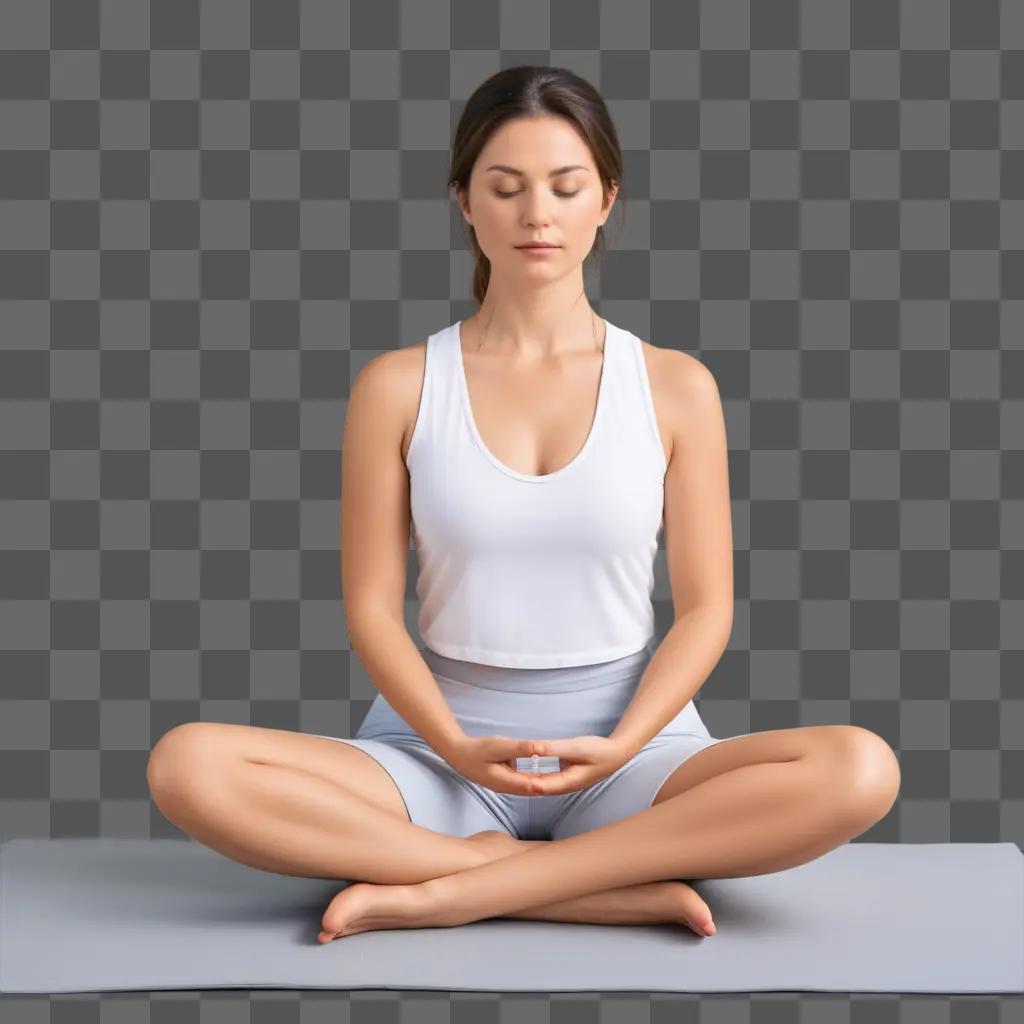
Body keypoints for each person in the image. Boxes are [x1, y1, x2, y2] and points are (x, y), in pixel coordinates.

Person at [146, 65, 901, 942]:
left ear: (606, 198)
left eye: (565, 186)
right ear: (466, 201)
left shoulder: (676, 386)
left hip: (635, 757)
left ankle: (450, 886)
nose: (537, 213)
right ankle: (603, 889)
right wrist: (456, 746)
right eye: (505, 188)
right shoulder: (396, 385)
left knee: (858, 769)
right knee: (189, 765)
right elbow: (370, 611)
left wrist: (621, 747)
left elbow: (705, 612)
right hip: (434, 757)